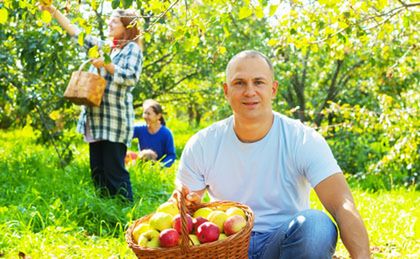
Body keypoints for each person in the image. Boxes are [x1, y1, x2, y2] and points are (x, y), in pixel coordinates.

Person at [175, 50, 370, 258]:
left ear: (273, 89)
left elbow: (342, 205)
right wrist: (186, 205)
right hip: (227, 246)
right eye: (239, 83)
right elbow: (182, 214)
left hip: (283, 244)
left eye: (258, 82)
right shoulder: (203, 144)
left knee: (316, 225)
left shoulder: (302, 139)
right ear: (226, 90)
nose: (250, 91)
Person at [41, 5, 143, 202]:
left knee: (115, 173)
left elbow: (130, 78)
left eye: (114, 21)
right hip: (95, 120)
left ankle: (125, 213)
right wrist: (52, 9)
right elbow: (76, 32)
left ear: (126, 26)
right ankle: (104, 212)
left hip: (114, 121)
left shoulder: (132, 49)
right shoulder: (106, 47)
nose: (109, 23)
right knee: (98, 172)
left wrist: (106, 64)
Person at [133, 99, 176, 167]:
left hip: (159, 168)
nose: (145, 116)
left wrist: (161, 166)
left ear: (158, 116)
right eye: (144, 113)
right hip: (142, 165)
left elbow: (171, 155)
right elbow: (125, 135)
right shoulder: (139, 129)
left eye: (148, 114)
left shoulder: (166, 133)